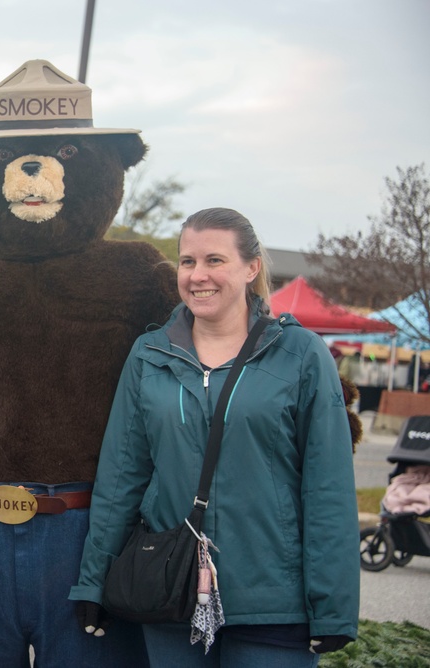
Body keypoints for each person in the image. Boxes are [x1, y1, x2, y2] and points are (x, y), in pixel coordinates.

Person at [71, 208, 359, 667]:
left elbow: (328, 487)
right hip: (171, 589)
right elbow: (122, 475)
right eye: (188, 262)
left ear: (251, 268)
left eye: (214, 260)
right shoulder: (150, 354)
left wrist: (333, 607)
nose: (198, 275)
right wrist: (94, 579)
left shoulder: (300, 354)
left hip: (272, 601)